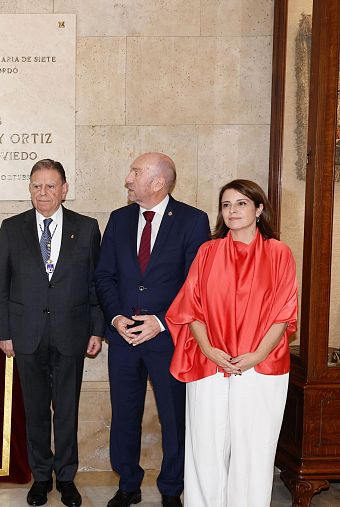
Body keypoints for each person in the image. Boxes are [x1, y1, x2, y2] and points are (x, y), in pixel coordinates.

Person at [166, 179, 297, 507]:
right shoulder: (207, 252)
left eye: (241, 203)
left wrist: (255, 355)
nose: (233, 211)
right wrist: (209, 349)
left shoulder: (278, 253)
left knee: (253, 448)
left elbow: (283, 314)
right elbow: (189, 307)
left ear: (259, 209)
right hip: (210, 362)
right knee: (206, 447)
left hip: (261, 366)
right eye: (226, 205)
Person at [94, 152, 210, 507]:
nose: (128, 178)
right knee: (124, 413)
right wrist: (115, 318)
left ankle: (172, 488)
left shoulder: (192, 220)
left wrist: (160, 321)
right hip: (124, 336)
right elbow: (104, 275)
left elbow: (195, 283)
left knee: (174, 416)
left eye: (135, 172)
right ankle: (128, 484)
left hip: (168, 338)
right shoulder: (118, 219)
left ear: (158, 182)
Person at [0, 159, 104, 507]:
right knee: (36, 410)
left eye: (50, 186)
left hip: (72, 333)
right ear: (29, 189)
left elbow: (95, 285)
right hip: (26, 335)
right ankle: (41, 477)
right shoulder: (12, 228)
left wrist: (97, 330)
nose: (43, 193)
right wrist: (4, 332)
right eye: (36, 186)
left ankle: (67, 478)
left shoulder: (86, 228)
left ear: (64, 189)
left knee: (67, 410)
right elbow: (2, 286)